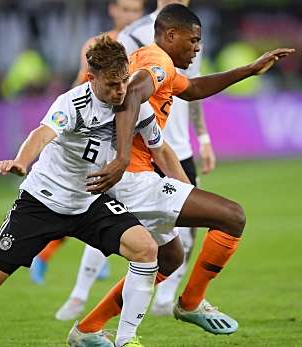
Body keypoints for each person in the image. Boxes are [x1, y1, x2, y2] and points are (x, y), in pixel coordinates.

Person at [0, 36, 173, 347]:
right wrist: (22, 161)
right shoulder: (73, 104)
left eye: (124, 81)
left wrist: (183, 188)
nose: (120, 90)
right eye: (111, 84)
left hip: (89, 202)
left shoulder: (134, 103)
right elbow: (41, 134)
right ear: (92, 79)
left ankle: (126, 340)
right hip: (42, 202)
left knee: (146, 249)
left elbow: (160, 147)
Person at [68, 4, 293, 345]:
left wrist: (249, 69)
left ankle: (87, 329)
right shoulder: (157, 63)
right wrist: (123, 158)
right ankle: (190, 303)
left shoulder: (161, 62)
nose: (198, 48)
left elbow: (195, 89)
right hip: (132, 179)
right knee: (232, 217)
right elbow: (131, 96)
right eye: (193, 40)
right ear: (171, 36)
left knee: (170, 257)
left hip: (139, 174)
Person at [55, 0, 217, 321]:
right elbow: (117, 85)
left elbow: (193, 89)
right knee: (114, 220)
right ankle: (80, 294)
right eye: (123, 8)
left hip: (177, 146)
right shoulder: (137, 36)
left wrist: (203, 137)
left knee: (185, 226)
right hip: (143, 145)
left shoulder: (190, 33)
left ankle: (167, 298)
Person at [30, 0, 146, 291]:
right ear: (113, 10)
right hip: (98, 133)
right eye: (126, 10)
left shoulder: (143, 44)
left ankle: (90, 259)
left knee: (108, 201)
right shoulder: (95, 47)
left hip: (133, 130)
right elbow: (84, 85)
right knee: (86, 197)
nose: (131, 16)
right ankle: (57, 260)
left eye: (136, 11)